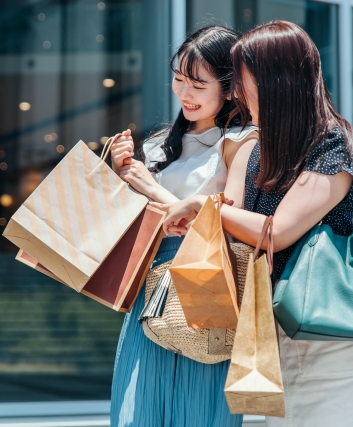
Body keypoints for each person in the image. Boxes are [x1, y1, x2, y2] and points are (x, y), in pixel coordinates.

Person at [160, 20, 353, 427]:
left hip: (336, 340)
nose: (233, 92)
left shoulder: (333, 141)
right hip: (275, 335)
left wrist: (203, 207)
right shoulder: (258, 150)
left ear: (275, 80)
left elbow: (277, 230)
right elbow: (237, 223)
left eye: (242, 79)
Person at [108, 25, 257, 427]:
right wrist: (121, 175)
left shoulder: (242, 141)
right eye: (178, 80)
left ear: (229, 89)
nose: (184, 93)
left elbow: (234, 222)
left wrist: (148, 185)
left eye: (198, 84)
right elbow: (142, 223)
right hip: (151, 286)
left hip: (208, 284)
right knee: (139, 409)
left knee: (198, 408)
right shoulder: (158, 144)